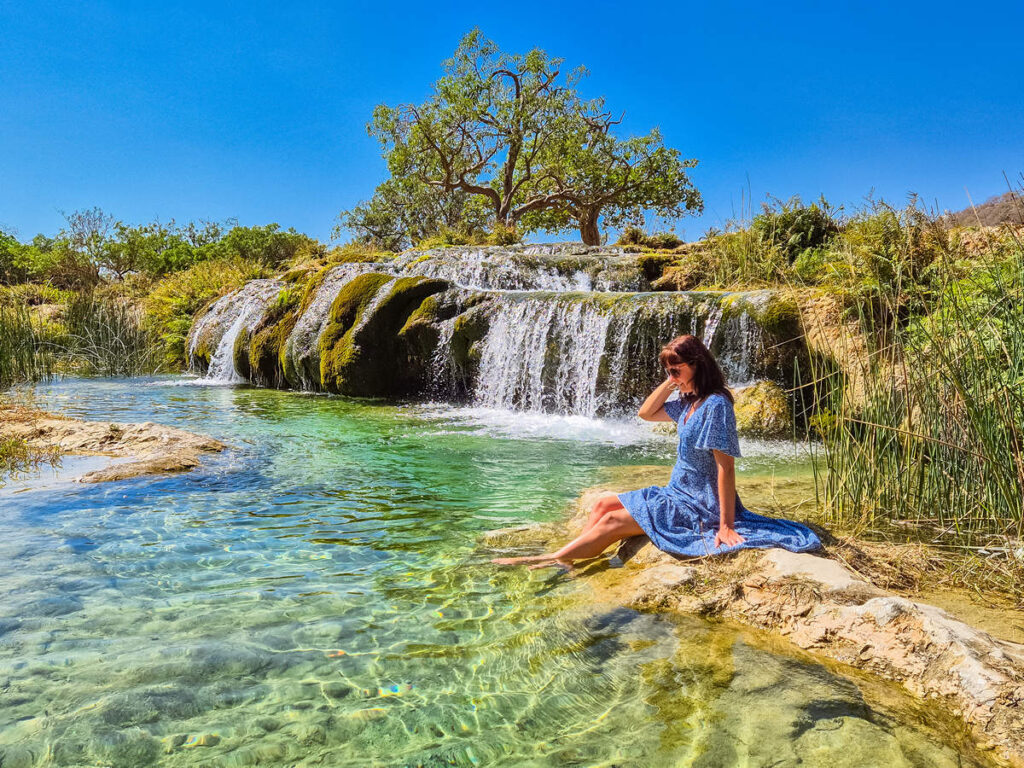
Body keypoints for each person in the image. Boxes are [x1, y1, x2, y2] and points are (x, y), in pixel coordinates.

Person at [492, 334, 822, 570]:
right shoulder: (691, 403)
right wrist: (671, 381)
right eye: (668, 371)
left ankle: (553, 559)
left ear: (697, 365)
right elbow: (646, 413)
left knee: (610, 519)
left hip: (699, 503)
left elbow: (725, 468)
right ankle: (578, 553)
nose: (672, 375)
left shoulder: (716, 406)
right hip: (677, 491)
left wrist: (725, 525)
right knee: (603, 503)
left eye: (676, 370)